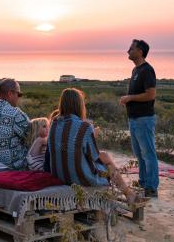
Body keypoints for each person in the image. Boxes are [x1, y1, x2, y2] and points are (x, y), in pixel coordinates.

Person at [47, 88, 144, 204]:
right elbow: (94, 156)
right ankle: (128, 194)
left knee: (105, 156)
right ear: (79, 105)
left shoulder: (54, 123)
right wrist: (93, 134)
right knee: (107, 163)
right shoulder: (84, 127)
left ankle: (129, 193)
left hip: (59, 175)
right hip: (78, 178)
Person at [119, 39, 159, 198]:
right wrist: (128, 99)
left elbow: (151, 94)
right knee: (140, 154)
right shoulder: (136, 70)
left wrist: (130, 98)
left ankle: (151, 187)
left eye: (131, 48)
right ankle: (143, 183)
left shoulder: (147, 70)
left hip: (144, 119)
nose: (128, 51)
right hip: (134, 119)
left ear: (140, 51)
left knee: (148, 153)